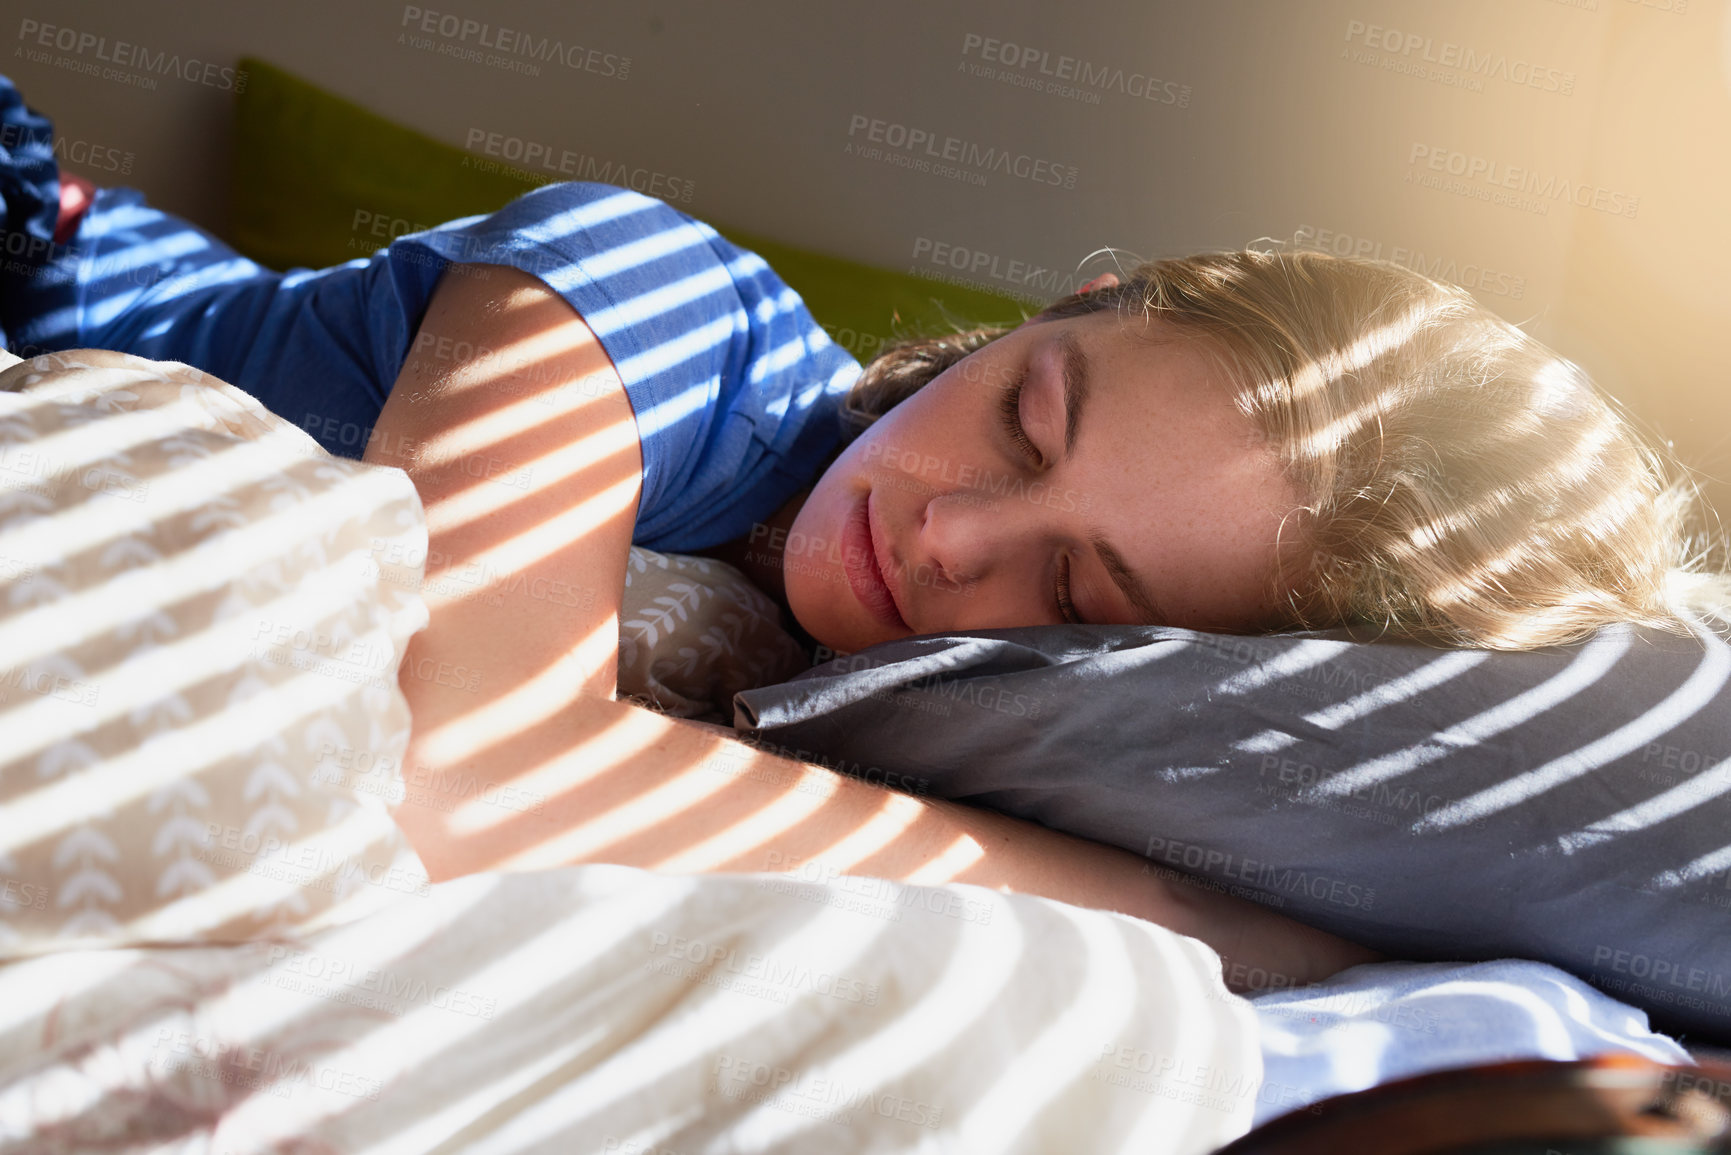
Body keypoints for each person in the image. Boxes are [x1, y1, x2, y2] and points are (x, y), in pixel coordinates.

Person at [2, 72, 1725, 995]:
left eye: (1072, 594)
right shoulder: (658, 302)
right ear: (1072, 301)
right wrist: (1195, 916)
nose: (958, 535)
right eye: (1023, 417)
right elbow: (464, 766)